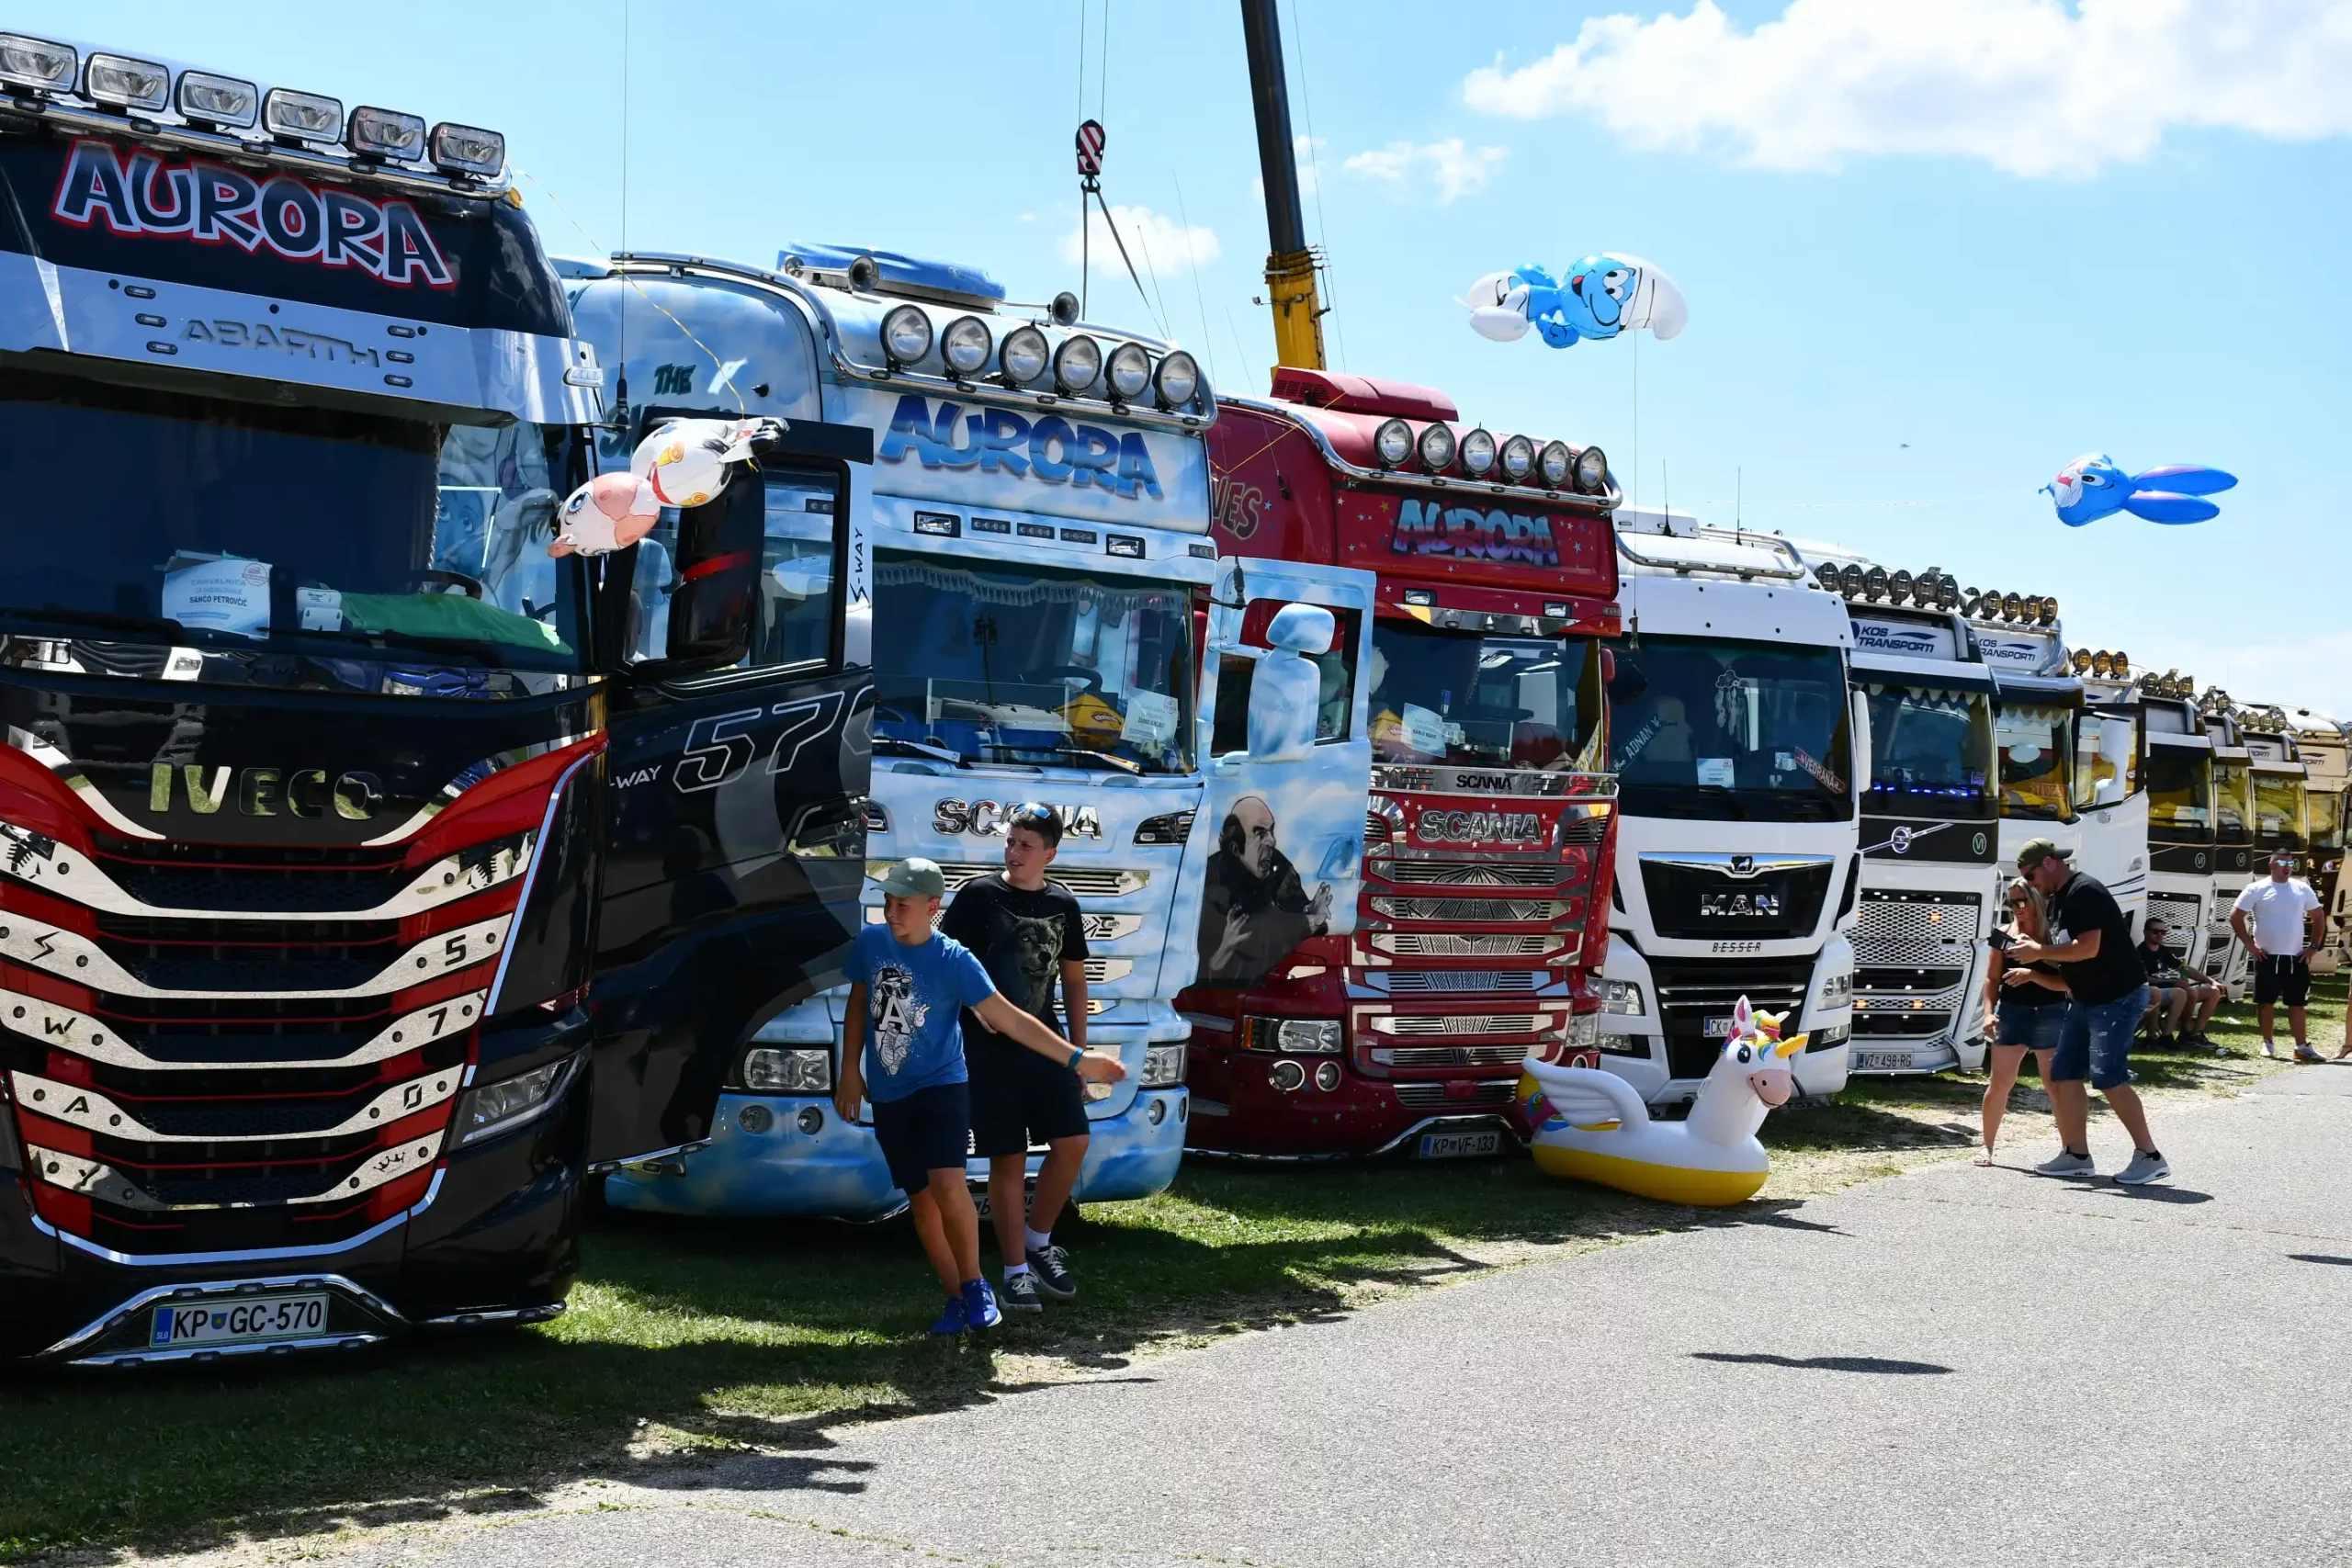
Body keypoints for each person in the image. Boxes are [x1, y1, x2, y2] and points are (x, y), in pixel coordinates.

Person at [837, 858, 1125, 1336]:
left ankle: (976, 1285)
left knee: (948, 1182)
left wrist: (1078, 1058)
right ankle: (956, 1299)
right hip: (891, 1094)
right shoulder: (870, 944)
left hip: (943, 1085)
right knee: (922, 1201)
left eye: (902, 905)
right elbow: (857, 1004)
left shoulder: (954, 959)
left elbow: (1011, 1018)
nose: (891, 913)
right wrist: (850, 1069)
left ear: (932, 907)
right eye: (887, 903)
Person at [939, 804, 1098, 1313]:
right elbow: (943, 963)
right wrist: (970, 1005)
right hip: (986, 1048)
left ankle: (1037, 1242)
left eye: (1026, 845)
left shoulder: (1063, 903)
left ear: (1050, 853)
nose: (1014, 851)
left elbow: (1073, 978)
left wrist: (1079, 1049)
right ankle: (1012, 1273)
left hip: (1045, 1041)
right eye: (1011, 841)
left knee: (1072, 1140)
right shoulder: (979, 895)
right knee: (1007, 1155)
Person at [2007, 839, 2169, 1185]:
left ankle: (2150, 1157)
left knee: (2108, 1076)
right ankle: (2076, 1155)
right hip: (2085, 998)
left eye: (2031, 875)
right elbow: (2066, 955)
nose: (2030, 884)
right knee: (2063, 1073)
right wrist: (2032, 957)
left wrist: (2039, 951)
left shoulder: (2085, 891)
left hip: (2118, 996)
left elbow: (2088, 948)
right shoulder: (2057, 900)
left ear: (2049, 862)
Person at [1976, 877, 2070, 1165]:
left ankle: (2070, 1149)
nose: (2015, 907)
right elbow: (1992, 978)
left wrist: (2034, 974)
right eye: (2010, 902)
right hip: (2013, 1011)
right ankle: (1987, 1147)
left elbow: (2068, 983)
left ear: (2036, 901)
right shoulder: (2003, 935)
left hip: (2051, 1012)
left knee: (2055, 1086)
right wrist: (1989, 1013)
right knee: (2000, 1083)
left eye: (2020, 901)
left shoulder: (2054, 939)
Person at [1194, 794, 1333, 986]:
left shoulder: (1277, 865)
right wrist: (1306, 922)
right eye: (1259, 834)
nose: (1271, 841)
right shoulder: (1211, 879)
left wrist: (1308, 912)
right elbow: (1253, 935)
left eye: (1271, 832)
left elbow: (1297, 912)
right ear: (1235, 848)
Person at [2230, 850, 2325, 1061]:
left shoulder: (2302, 888)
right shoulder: (2256, 888)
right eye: (2282, 862)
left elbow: (2319, 916)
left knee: (2297, 1003)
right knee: (2266, 1002)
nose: (2287, 867)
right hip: (2268, 956)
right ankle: (2267, 1042)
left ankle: (2301, 1046)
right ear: (2271, 865)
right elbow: (2236, 917)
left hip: (2296, 956)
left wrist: (2314, 946)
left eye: (2291, 863)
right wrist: (2250, 946)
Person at [2135, 919, 2223, 1054]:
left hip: (2172, 989)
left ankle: (2194, 1035)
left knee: (2213, 992)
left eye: (2163, 932)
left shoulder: (2163, 950)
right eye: (2155, 932)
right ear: (2146, 932)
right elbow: (2143, 978)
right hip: (2155, 992)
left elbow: (2184, 969)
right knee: (2183, 992)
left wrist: (2211, 981)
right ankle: (2167, 1036)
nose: (2160, 935)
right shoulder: (2140, 952)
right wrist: (2172, 983)